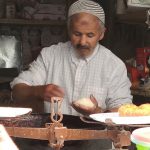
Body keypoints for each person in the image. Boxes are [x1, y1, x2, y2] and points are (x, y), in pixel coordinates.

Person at [10, 0, 132, 149]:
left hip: (95, 141)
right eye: (77, 34)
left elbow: (123, 113)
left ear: (102, 34)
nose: (83, 41)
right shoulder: (50, 56)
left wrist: (96, 111)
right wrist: (38, 90)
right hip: (52, 140)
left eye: (90, 35)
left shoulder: (114, 65)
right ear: (68, 30)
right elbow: (17, 91)